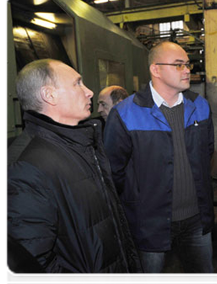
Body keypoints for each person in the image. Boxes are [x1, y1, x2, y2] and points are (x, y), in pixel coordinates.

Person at [5, 59, 145, 284]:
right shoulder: (24, 169)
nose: (89, 92)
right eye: (77, 84)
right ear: (49, 95)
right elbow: (31, 267)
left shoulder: (80, 145)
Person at [104, 41, 215, 284]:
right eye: (178, 65)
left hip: (196, 219)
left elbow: (206, 152)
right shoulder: (125, 113)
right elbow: (113, 171)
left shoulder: (201, 106)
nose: (187, 70)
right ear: (155, 70)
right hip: (149, 223)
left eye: (187, 64)